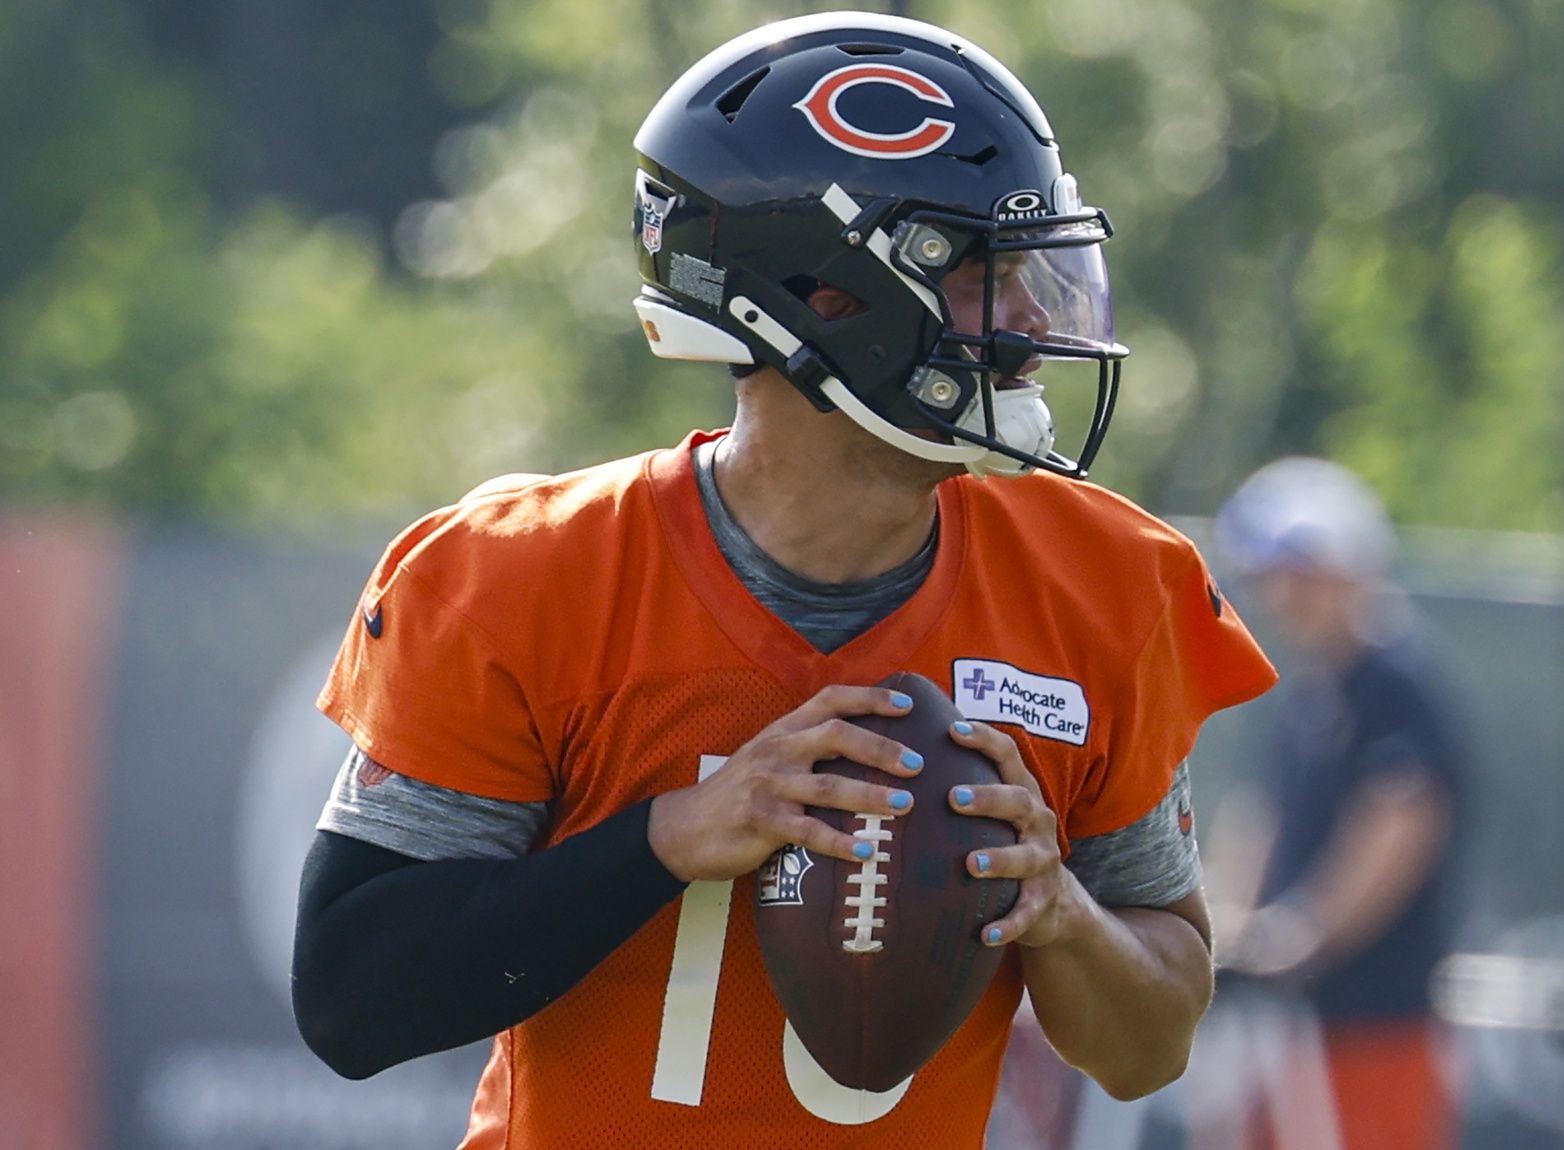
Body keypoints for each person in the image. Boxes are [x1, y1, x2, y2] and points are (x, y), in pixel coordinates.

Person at [291, 13, 1277, 1149]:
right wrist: (667, 836)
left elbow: (1149, 1048)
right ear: (824, 296)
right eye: (976, 274)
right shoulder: (527, 577)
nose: (1031, 324)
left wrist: (1062, 911)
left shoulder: (1105, 583)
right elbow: (353, 999)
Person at [1206, 457, 1466, 1150]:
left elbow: (1400, 822)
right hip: (1289, 1022)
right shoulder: (1309, 694)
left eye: (1302, 574)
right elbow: (1261, 816)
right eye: (1274, 578)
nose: (1285, 596)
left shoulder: (1394, 684)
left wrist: (1299, 936)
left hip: (1373, 1023)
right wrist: (1220, 925)